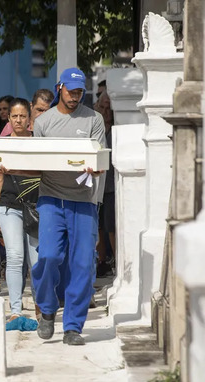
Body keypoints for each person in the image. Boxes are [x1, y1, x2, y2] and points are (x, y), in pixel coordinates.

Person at [31, 68, 106, 346]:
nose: (75, 96)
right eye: (70, 90)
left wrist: (96, 171)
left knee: (83, 264)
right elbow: (35, 163)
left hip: (84, 201)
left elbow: (101, 159)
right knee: (49, 256)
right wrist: (9, 168)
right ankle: (48, 309)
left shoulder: (94, 119)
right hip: (51, 197)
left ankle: (73, 326)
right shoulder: (44, 122)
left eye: (79, 91)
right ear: (59, 87)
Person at [0, 98, 41, 322]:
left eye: (22, 116)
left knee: (37, 259)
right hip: (9, 206)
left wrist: (17, 170)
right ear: (9, 119)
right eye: (14, 116)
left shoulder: (38, 141)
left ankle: (41, 304)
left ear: (29, 118)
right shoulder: (1, 143)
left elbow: (44, 174)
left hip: (36, 206)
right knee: (14, 256)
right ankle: (15, 309)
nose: (19, 120)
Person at [94, 87, 116, 277]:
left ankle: (114, 259)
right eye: (103, 107)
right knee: (98, 225)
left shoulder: (117, 130)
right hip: (94, 183)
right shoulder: (95, 127)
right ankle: (101, 260)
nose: (105, 111)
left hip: (111, 186)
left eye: (109, 107)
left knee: (111, 226)